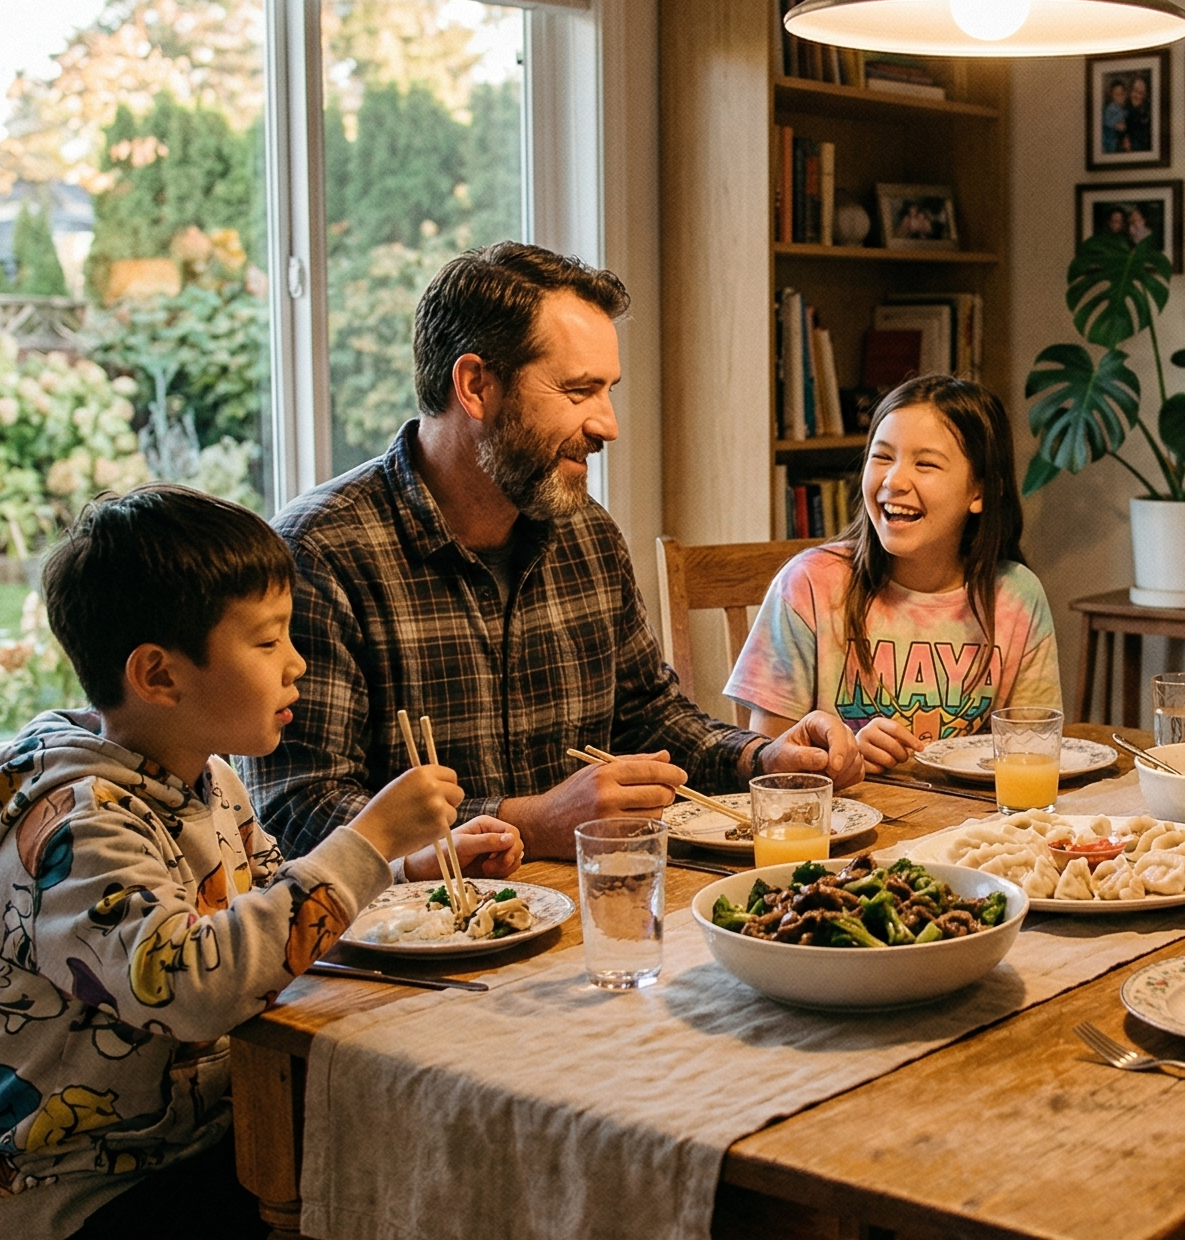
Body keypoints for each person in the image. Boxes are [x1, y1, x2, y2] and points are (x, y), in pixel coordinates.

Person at [0, 486, 480, 1240]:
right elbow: (191, 983)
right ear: (157, 673)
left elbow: (275, 920)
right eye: (268, 641)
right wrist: (365, 841)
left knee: (433, 1180)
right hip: (73, 1217)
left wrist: (406, 867)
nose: (296, 662)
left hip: (184, 1153)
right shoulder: (80, 829)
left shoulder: (207, 779)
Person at [251, 241, 859, 867]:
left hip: (591, 913)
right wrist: (526, 822)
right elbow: (297, 810)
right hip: (408, 951)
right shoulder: (320, 552)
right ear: (475, 385)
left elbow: (648, 715)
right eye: (579, 390)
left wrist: (764, 759)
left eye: (608, 390)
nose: (608, 425)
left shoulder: (586, 532)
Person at [727, 373, 1059, 770]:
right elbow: (768, 765)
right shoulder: (808, 586)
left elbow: (1033, 755)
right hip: (842, 824)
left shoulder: (1016, 596)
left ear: (980, 492)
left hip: (971, 828)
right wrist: (848, 754)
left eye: (926, 464)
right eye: (882, 456)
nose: (894, 480)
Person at [1100, 76, 1130, 154]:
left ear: (1125, 94)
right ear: (1112, 96)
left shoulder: (1123, 108)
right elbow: (1105, 120)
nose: (1120, 97)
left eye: (1122, 94)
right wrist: (1115, 125)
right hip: (1109, 144)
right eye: (1117, 94)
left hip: (1116, 143)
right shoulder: (1111, 107)